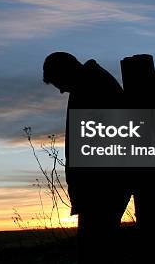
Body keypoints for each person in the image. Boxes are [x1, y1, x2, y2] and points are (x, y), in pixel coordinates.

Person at [43, 52, 133, 264]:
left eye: (59, 83)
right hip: (101, 186)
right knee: (99, 248)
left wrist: (86, 190)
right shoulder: (90, 83)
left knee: (95, 250)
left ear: (67, 72)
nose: (61, 90)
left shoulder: (91, 87)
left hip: (102, 187)